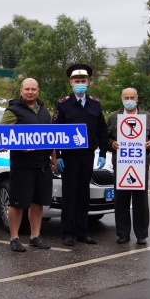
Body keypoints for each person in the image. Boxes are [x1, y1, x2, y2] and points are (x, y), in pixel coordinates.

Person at [53, 64, 109, 247]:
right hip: (69, 157)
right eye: (77, 81)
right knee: (69, 195)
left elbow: (102, 130)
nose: (80, 84)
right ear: (71, 83)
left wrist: (102, 153)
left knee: (84, 194)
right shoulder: (63, 104)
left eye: (83, 81)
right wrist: (58, 156)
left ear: (88, 82)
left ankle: (83, 231)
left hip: (88, 156)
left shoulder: (95, 104)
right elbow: (55, 131)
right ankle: (68, 233)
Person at [0, 78, 56, 252]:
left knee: (38, 202)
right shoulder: (13, 110)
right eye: (27, 89)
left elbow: (51, 136)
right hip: (22, 165)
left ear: (38, 91)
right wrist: (19, 146)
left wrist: (53, 157)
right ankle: (14, 238)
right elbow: (0, 135)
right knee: (17, 203)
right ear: (21, 90)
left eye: (33, 89)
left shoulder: (44, 110)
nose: (30, 92)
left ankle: (35, 236)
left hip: (42, 165)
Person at [107, 87, 150, 245]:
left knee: (140, 200)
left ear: (137, 99)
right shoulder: (114, 117)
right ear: (122, 99)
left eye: (132, 97)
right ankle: (123, 233)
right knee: (121, 200)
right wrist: (111, 144)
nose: (129, 100)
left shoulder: (146, 117)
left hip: (140, 164)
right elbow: (106, 137)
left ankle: (141, 234)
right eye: (126, 97)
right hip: (121, 163)